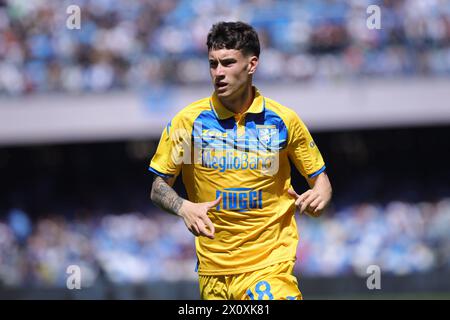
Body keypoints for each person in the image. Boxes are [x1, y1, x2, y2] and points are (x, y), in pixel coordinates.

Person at [149, 21, 332, 300]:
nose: (218, 73)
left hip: (270, 265)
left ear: (252, 64)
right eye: (213, 64)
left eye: (228, 63)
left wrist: (319, 194)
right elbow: (158, 186)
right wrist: (183, 207)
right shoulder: (188, 122)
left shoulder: (283, 119)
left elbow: (321, 181)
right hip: (213, 273)